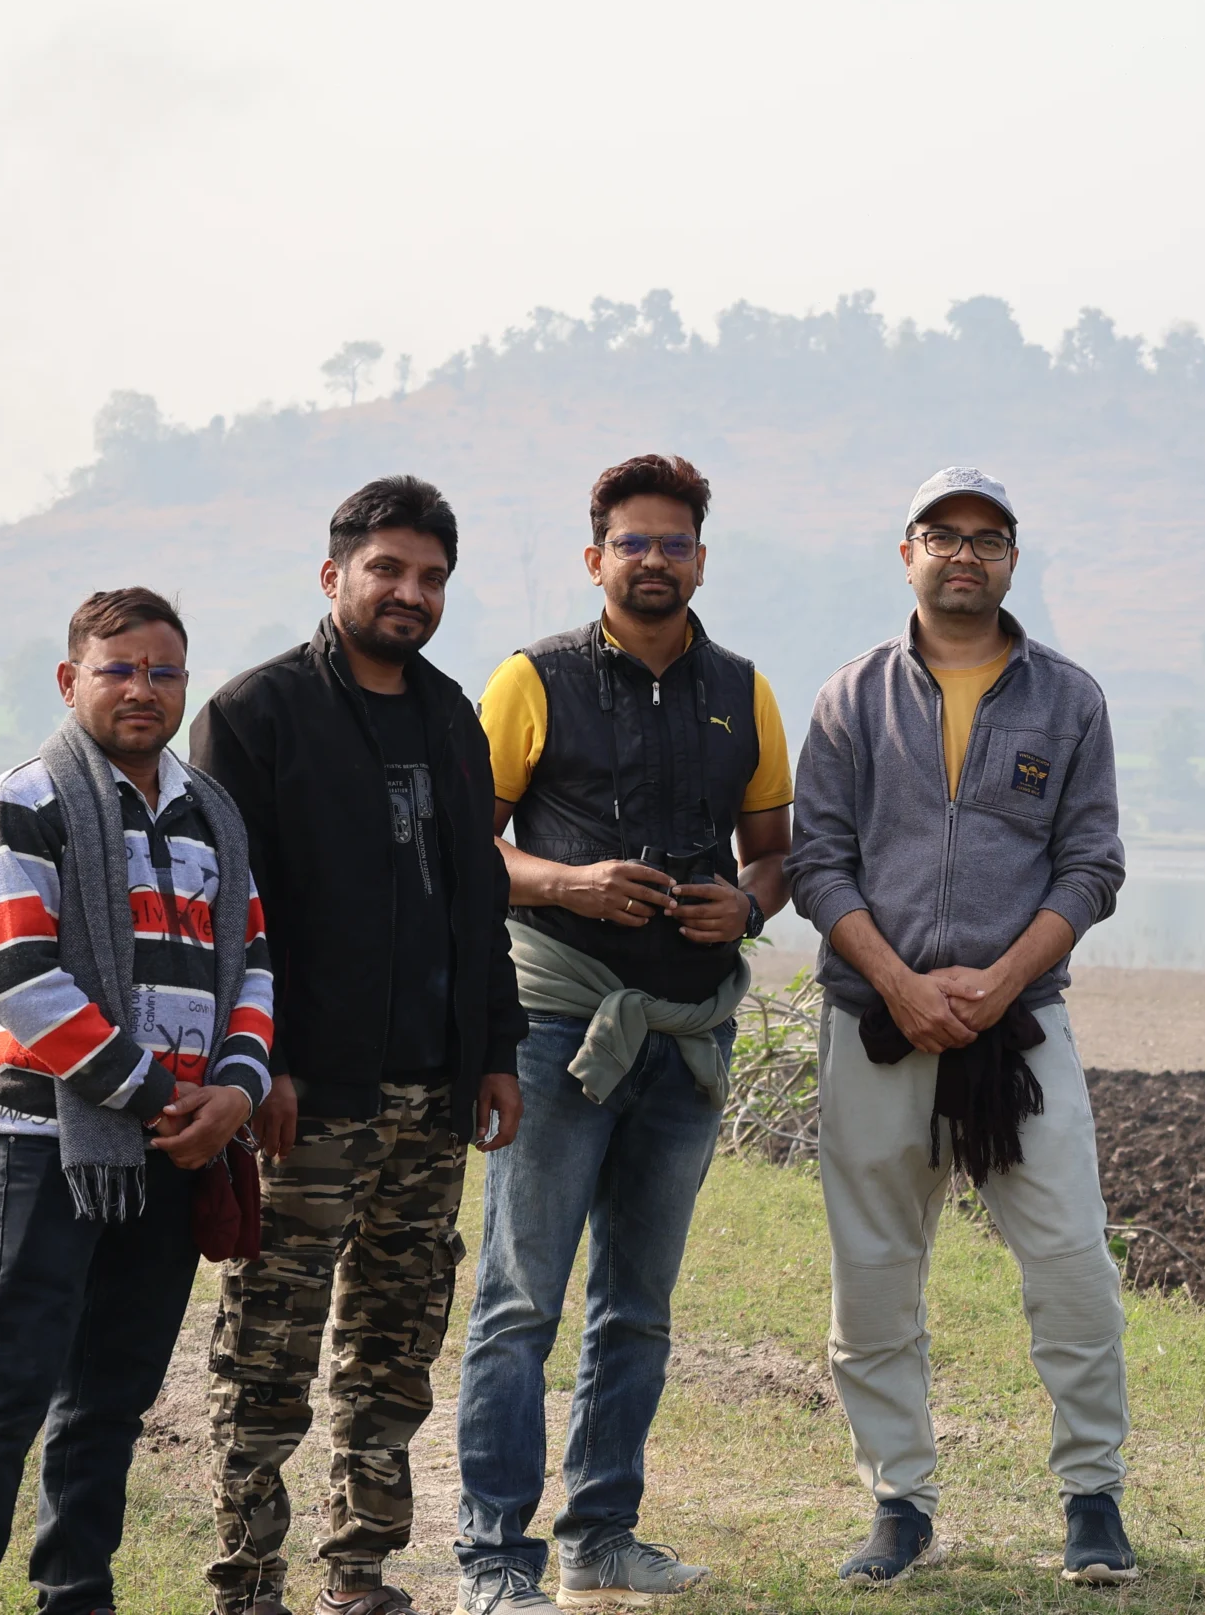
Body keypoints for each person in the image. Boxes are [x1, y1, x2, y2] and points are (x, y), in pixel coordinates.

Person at [455, 454, 793, 1615]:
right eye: (633, 543)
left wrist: (746, 905)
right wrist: (570, 884)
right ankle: (493, 1560)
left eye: (675, 544)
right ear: (594, 558)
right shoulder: (531, 678)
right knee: (519, 1301)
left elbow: (774, 851)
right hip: (555, 1024)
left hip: (688, 1033)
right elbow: (469, 846)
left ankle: (601, 1536)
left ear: (702, 560)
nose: (654, 561)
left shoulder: (743, 689)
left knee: (638, 1308)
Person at [787, 467, 1133, 1588]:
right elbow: (817, 863)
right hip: (876, 1024)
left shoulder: (1067, 700)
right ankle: (898, 1502)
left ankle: (1092, 1496)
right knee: (875, 1274)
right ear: (908, 554)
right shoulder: (851, 698)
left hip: (1018, 1029)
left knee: (1072, 1262)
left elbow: (1092, 864)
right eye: (944, 535)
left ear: (1013, 560)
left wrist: (1001, 978)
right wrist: (897, 982)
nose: (965, 555)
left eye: (988, 539)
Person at [191, 478, 527, 1615]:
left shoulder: (452, 718)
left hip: (433, 1092)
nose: (410, 593)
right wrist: (262, 1063)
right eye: (387, 569)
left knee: (395, 1342)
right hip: (307, 1093)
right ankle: (247, 1582)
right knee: (270, 1343)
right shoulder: (255, 715)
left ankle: (361, 1573)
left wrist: (495, 1048)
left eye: (431, 577)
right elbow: (231, 912)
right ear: (334, 575)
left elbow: (479, 901)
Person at [0, 589, 273, 1615]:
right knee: (10, 1382)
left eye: (163, 672)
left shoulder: (212, 814)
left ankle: (77, 1594)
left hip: (178, 1148)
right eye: (119, 669)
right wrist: (163, 1098)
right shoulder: (22, 802)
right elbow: (23, 983)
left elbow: (254, 964)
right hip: (52, 1141)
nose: (143, 689)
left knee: (112, 1397)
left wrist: (235, 1090)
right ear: (70, 679)